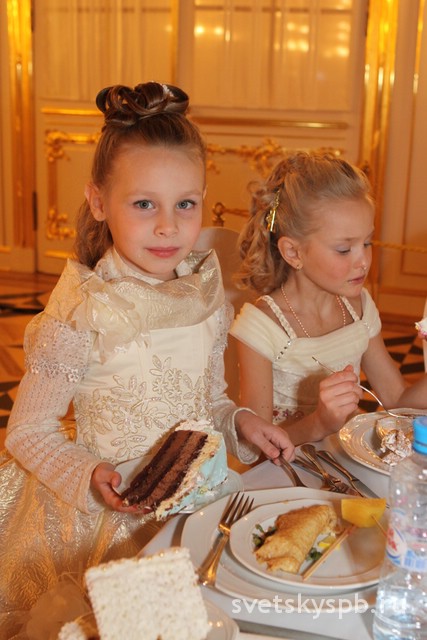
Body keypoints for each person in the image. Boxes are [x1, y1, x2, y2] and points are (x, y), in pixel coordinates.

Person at [0, 82, 294, 639]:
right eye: (143, 204)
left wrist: (241, 423)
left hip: (196, 500)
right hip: (108, 518)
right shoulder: (83, 308)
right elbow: (28, 431)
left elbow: (208, 401)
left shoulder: (204, 292)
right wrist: (89, 474)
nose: (168, 226)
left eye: (185, 203)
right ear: (98, 202)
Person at [230, 150, 427, 445]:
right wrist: (320, 423)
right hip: (287, 467)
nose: (363, 261)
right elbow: (258, 446)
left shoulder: (358, 308)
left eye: (367, 243)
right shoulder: (261, 328)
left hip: (346, 458)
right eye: (344, 250)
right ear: (293, 252)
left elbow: (398, 400)